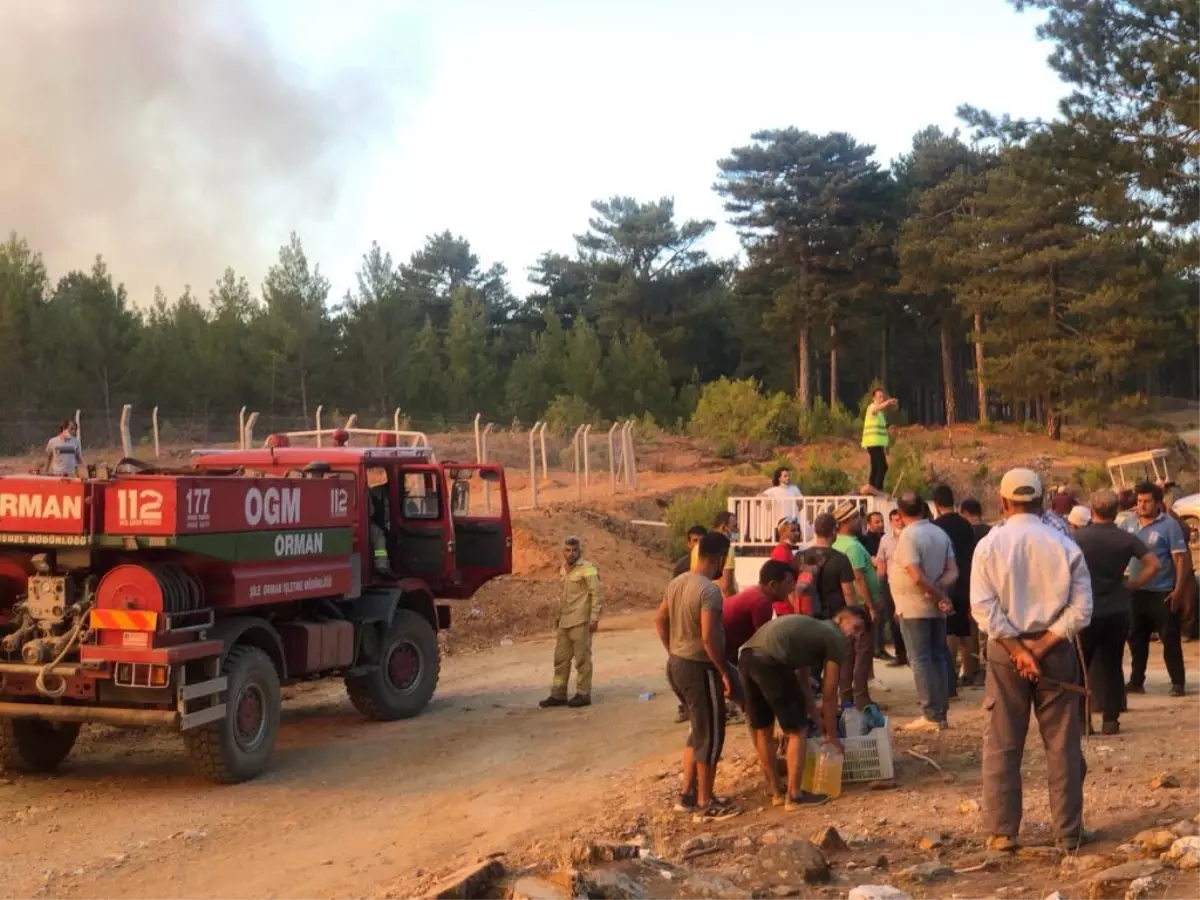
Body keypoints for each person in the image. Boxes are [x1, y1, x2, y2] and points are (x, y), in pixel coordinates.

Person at [971, 468, 1093, 852]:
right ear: (1041, 504)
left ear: (1003, 504)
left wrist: (1020, 651)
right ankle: (1068, 833)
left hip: (1006, 655)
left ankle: (1003, 832)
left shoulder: (989, 545)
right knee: (1062, 744)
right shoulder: (1064, 544)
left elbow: (983, 608)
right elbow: (1082, 609)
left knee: (1003, 743)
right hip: (1055, 652)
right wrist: (1040, 648)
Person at [739, 609, 865, 809]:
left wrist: (817, 720)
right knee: (796, 731)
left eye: (860, 633)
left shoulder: (810, 632)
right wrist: (831, 735)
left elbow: (803, 682)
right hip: (771, 661)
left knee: (763, 729)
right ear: (839, 619)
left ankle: (776, 791)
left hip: (746, 657)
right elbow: (830, 692)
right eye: (855, 628)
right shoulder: (834, 637)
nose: (855, 636)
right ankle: (795, 796)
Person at [655, 531, 736, 818]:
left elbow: (660, 618)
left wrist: (672, 649)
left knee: (696, 730)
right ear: (718, 558)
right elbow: (708, 636)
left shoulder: (677, 582)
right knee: (711, 734)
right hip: (700, 667)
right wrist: (722, 669)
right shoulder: (709, 591)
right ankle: (705, 801)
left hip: (677, 664)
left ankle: (688, 794)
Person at [1073, 489, 1159, 735]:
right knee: (1113, 664)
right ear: (1116, 510)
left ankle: (1082, 720)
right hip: (1117, 610)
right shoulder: (1125, 538)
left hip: (1085, 610)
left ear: (1092, 509)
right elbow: (1154, 563)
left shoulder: (1077, 538)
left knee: (1081, 667)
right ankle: (1111, 720)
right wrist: (1132, 584)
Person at [892, 492, 958, 732]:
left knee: (920, 660)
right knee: (937, 657)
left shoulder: (909, 536)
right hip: (934, 608)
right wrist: (940, 591)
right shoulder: (939, 533)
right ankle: (940, 712)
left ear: (899, 515)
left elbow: (916, 575)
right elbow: (953, 571)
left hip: (914, 607)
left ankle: (931, 714)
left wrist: (935, 594)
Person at [1125, 481, 1189, 697]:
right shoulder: (1128, 524)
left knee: (1170, 639)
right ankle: (1136, 681)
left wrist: (1178, 590)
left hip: (1162, 592)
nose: (1142, 505)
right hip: (1135, 593)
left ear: (1158, 503)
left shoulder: (1169, 525)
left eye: (1147, 501)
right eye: (1139, 501)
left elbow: (1180, 559)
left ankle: (1178, 683)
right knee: (1136, 639)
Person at [539, 537, 605, 709]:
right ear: (563, 551)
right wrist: (557, 618)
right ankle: (558, 694)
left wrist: (594, 618)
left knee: (582, 660)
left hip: (580, 621)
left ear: (579, 551)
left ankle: (583, 694)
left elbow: (597, 594)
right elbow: (563, 597)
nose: (571, 553)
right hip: (565, 622)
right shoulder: (563, 570)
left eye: (574, 550)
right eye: (567, 550)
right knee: (560, 660)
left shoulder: (588, 569)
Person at [724, 560, 796, 699]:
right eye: (789, 583)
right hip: (711, 653)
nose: (792, 588)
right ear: (773, 585)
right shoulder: (761, 603)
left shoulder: (754, 593)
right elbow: (763, 648)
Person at [932, 485, 980, 691]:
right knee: (967, 628)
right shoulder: (965, 525)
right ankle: (969, 672)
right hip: (967, 580)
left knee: (949, 629)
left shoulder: (935, 527)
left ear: (935, 504)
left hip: (946, 581)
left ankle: (950, 674)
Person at [831, 501, 879, 709]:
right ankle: (860, 697)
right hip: (859, 608)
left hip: (848, 610)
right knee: (862, 654)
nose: (861, 521)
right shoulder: (852, 546)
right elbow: (859, 578)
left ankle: (848, 697)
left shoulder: (838, 544)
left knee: (848, 655)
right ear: (847, 521)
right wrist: (871, 606)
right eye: (858, 518)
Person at [795, 513, 855, 620]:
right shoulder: (841, 559)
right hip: (833, 617)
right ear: (833, 532)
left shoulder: (800, 556)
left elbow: (792, 589)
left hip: (807, 616)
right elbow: (848, 594)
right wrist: (853, 616)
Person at [874, 508, 907, 666]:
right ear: (891, 522)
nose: (898, 522)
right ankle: (900, 655)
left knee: (908, 618)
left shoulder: (910, 537)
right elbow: (881, 561)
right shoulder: (885, 539)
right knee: (893, 620)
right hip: (890, 583)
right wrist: (879, 582)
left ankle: (912, 654)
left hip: (908, 584)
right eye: (894, 519)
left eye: (900, 518)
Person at [691, 512, 738, 597]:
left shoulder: (697, 547)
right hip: (719, 602)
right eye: (734, 526)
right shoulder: (727, 550)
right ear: (724, 527)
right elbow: (726, 587)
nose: (737, 530)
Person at [862, 389, 898, 492]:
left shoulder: (880, 415)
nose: (882, 399)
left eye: (883, 397)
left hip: (877, 444)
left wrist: (890, 428)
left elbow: (882, 429)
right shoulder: (872, 408)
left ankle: (872, 487)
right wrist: (888, 402)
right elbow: (876, 409)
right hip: (872, 443)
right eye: (879, 397)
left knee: (876, 466)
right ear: (873, 398)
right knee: (882, 466)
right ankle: (877, 489)